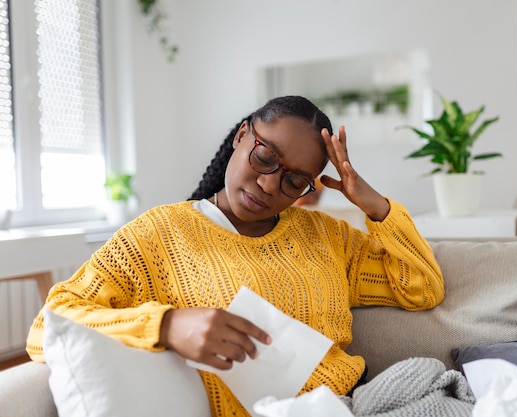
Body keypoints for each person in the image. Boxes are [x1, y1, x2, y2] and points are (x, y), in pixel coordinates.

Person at [26, 95, 445, 416]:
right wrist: (167, 325)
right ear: (241, 134)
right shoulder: (161, 234)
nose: (268, 185)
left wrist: (372, 203)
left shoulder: (327, 236)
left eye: (294, 180)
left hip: (354, 402)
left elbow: (422, 289)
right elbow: (50, 325)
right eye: (266, 157)